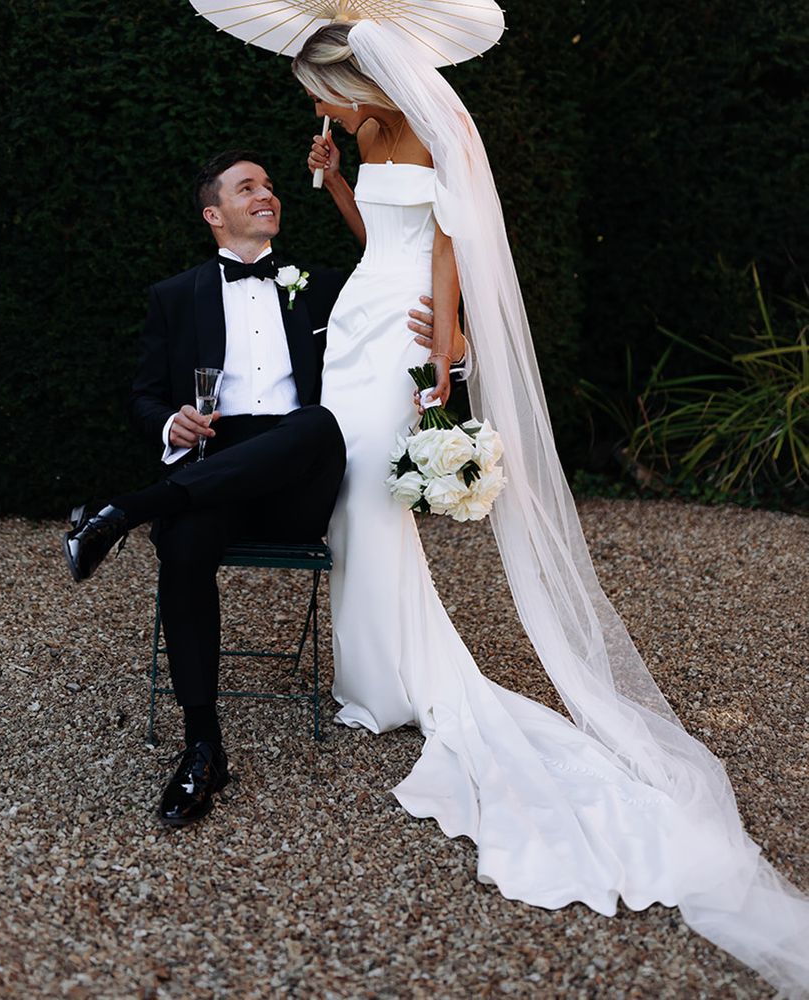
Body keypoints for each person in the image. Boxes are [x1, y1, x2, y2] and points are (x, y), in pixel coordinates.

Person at [290, 20, 809, 998]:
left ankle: (411, 684)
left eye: (317, 96)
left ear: (350, 83)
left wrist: (444, 353)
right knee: (347, 505)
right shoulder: (359, 140)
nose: (314, 112)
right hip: (357, 316)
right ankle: (377, 678)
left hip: (398, 336)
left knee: (370, 496)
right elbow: (382, 236)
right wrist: (333, 182)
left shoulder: (437, 131)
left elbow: (449, 248)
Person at [62, 149, 458, 829]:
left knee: (316, 425)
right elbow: (143, 396)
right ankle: (203, 748)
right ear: (214, 214)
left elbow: (418, 276)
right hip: (211, 470)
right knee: (184, 547)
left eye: (271, 186)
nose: (267, 195)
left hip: (297, 476)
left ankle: (125, 511)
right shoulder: (174, 296)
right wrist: (169, 423)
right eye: (248, 188)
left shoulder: (326, 287)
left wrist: (456, 344)